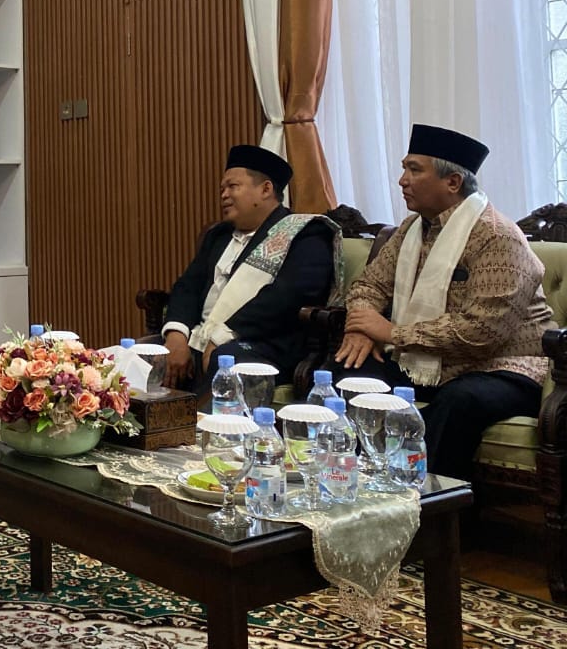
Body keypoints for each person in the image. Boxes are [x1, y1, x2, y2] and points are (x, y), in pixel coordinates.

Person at [331, 124, 550, 480]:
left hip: (501, 368)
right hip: (426, 362)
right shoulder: (410, 230)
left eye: (414, 170)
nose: (402, 180)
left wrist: (392, 333)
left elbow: (482, 332)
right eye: (404, 168)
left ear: (453, 182)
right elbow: (369, 285)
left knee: (459, 401)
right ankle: (353, 484)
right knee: (350, 372)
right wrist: (360, 327)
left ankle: (429, 503)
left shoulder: (498, 236)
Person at [161, 145, 340, 396]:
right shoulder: (218, 235)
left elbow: (286, 297)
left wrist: (222, 335)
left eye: (233, 186)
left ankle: (199, 422)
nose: (224, 195)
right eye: (222, 189)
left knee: (226, 360)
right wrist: (176, 335)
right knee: (140, 354)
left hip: (260, 345)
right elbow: (187, 287)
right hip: (200, 338)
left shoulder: (305, 234)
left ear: (266, 189)